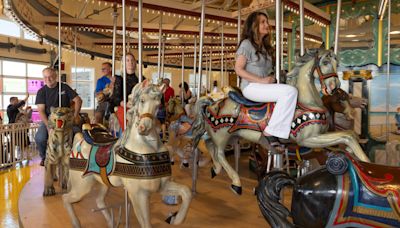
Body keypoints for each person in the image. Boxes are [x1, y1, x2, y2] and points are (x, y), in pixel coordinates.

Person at [234, 11, 298, 147]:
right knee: (290, 92)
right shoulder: (246, 44)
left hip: (264, 87)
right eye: (262, 22)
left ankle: (283, 130)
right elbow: (238, 69)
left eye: (266, 22)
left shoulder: (265, 47)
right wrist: (261, 80)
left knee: (292, 91)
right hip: (251, 87)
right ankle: (270, 132)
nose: (267, 25)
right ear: (253, 26)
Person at [35, 67, 82, 166]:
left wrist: (75, 116)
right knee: (40, 138)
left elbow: (78, 100)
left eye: (50, 76)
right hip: (49, 118)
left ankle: (76, 157)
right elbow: (41, 110)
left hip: (66, 118)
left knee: (78, 134)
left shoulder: (64, 87)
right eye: (45, 77)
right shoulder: (41, 92)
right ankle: (44, 157)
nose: (48, 79)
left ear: (56, 76)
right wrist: (48, 126)